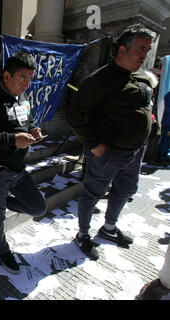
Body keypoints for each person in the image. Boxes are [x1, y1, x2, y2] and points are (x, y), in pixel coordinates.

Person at [66, 24, 156, 260]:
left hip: (134, 152)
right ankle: (82, 235)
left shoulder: (135, 76)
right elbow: (75, 113)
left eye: (147, 49)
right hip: (107, 152)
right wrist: (92, 143)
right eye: (141, 48)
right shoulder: (100, 80)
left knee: (125, 189)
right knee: (92, 193)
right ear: (123, 50)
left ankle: (109, 228)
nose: (144, 55)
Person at [0, 51, 47, 274]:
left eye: (31, 79)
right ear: (6, 75)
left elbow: (27, 117)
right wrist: (14, 139)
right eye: (23, 77)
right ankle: (3, 251)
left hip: (17, 167)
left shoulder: (22, 97)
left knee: (38, 207)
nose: (27, 84)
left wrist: (33, 128)